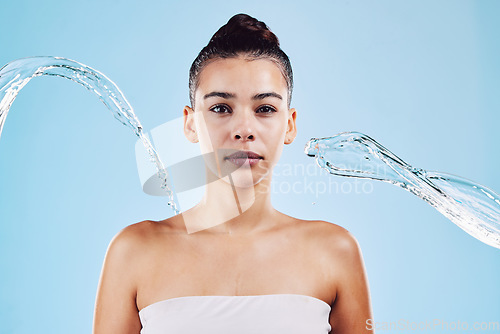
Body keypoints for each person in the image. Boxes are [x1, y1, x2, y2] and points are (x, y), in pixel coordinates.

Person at [93, 13, 373, 334]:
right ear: (190, 123)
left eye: (264, 109)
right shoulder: (134, 252)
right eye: (221, 108)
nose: (243, 130)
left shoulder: (334, 251)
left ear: (290, 124)